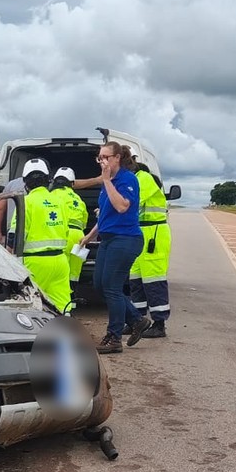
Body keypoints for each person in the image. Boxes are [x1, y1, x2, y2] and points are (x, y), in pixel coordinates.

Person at [78, 142, 151, 353]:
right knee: (100, 284)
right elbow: (105, 215)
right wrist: (89, 236)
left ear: (117, 158)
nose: (102, 161)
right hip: (109, 239)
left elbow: (121, 206)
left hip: (126, 239)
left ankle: (114, 337)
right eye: (99, 157)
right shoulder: (108, 181)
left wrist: (107, 181)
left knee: (112, 287)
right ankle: (137, 320)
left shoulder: (127, 179)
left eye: (106, 157)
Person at [7, 158, 71, 313]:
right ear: (48, 179)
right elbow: (66, 230)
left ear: (25, 182)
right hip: (60, 261)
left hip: (35, 263)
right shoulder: (59, 201)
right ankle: (67, 327)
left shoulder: (25, 203)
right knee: (62, 305)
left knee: (32, 305)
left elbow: (14, 236)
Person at [129, 162, 171, 337]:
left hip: (153, 233)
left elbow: (132, 202)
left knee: (153, 280)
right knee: (135, 280)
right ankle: (137, 321)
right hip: (141, 232)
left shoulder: (143, 178)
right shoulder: (136, 178)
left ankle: (159, 325)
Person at [48, 167, 89, 291]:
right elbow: (84, 221)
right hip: (79, 237)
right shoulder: (78, 198)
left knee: (61, 270)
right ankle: (72, 297)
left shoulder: (51, 195)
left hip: (62, 234)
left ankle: (60, 297)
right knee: (74, 272)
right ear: (72, 183)